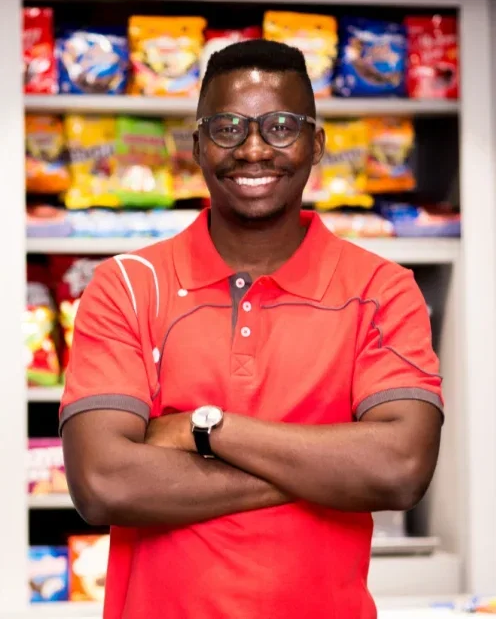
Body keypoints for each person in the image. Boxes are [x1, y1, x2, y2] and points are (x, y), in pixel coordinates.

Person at [59, 39, 444, 619]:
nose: (255, 149)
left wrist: (200, 430)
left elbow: (400, 469)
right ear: (197, 146)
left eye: (281, 126)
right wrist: (324, 470)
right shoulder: (128, 286)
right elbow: (103, 484)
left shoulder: (382, 290)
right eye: (228, 127)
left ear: (316, 144)